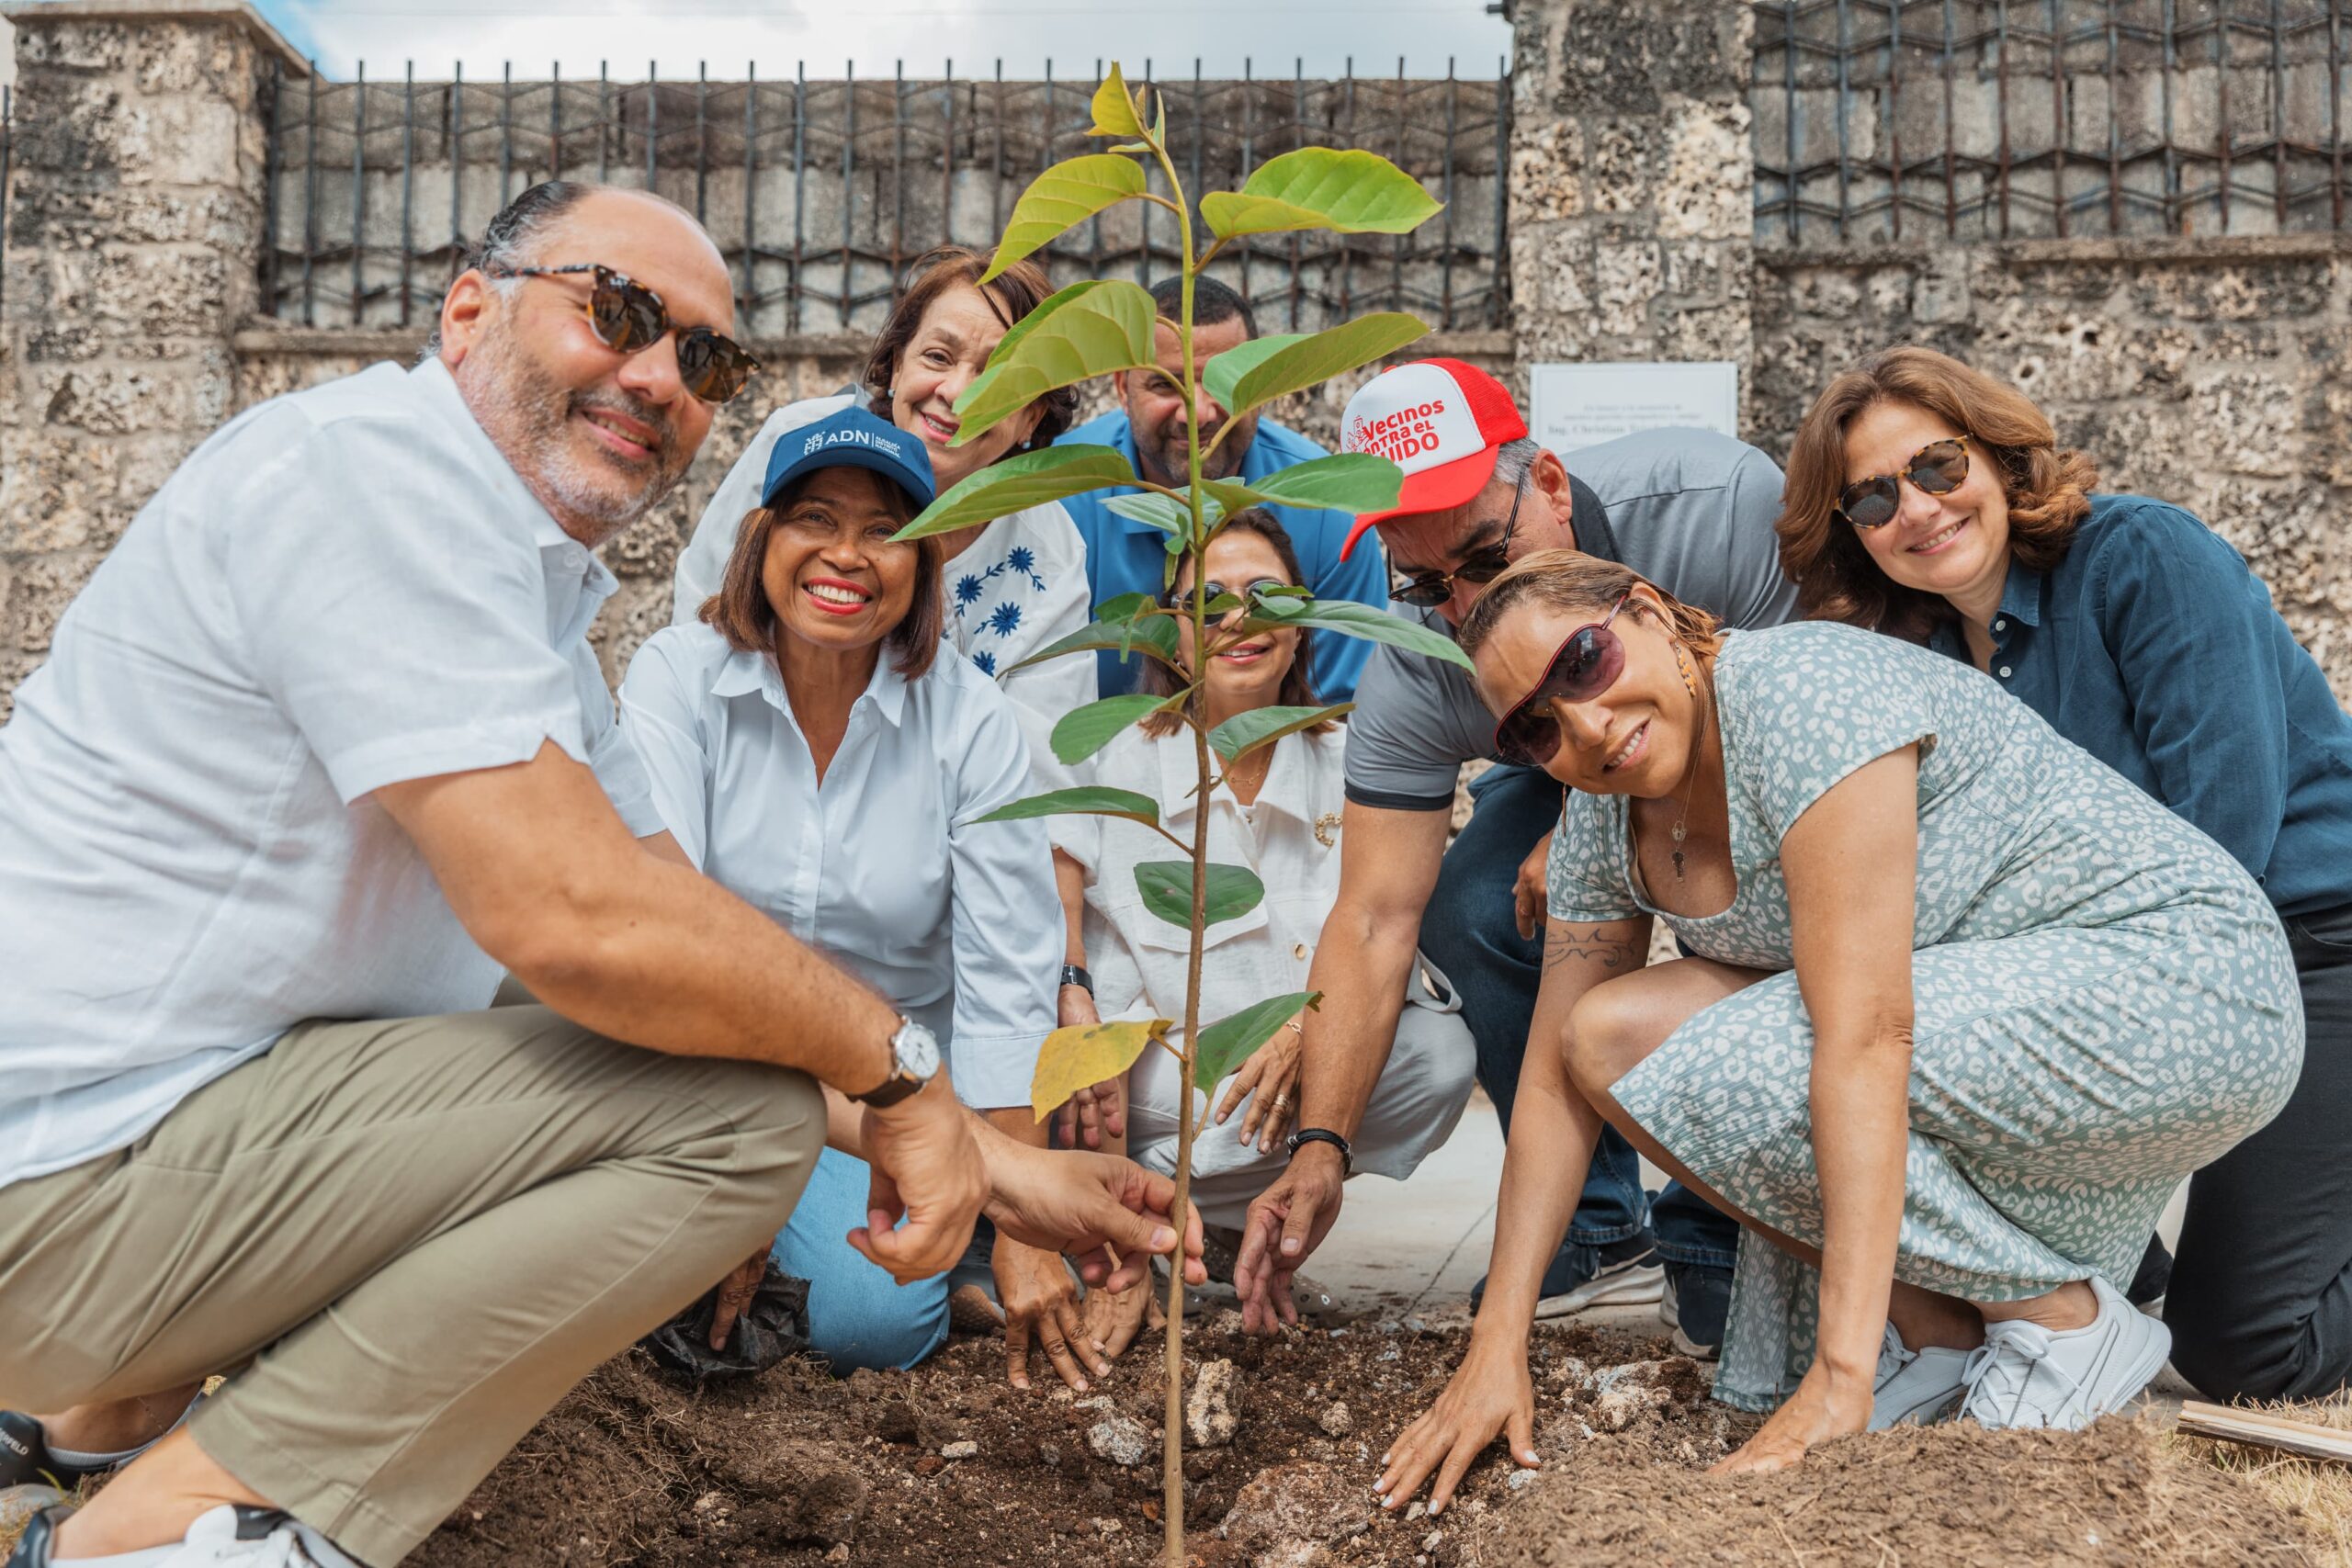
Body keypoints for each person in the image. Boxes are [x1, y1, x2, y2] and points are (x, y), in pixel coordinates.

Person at [0, 181, 1200, 1568]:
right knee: (733, 1123)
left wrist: (1003, 1170)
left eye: (704, 358)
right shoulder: (374, 482)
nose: (659, 377)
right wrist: (904, 1074)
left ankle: (94, 1437)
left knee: (723, 1116)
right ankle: (169, 1533)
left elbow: (676, 942)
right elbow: (585, 923)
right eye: (619, 312)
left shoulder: (537, 614)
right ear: (467, 306)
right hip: (69, 1185)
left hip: (130, 1163)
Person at [1376, 553, 2303, 1512]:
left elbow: (1864, 1037)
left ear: (1646, 611)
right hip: (1991, 1020)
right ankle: (1941, 1335)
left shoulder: (1798, 693)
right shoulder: (1601, 821)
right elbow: (1550, 1085)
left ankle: (2056, 1322)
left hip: (2182, 982)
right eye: (1535, 728)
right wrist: (1496, 1347)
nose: (1585, 724)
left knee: (1775, 1048)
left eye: (1581, 663)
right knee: (1609, 1037)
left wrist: (1838, 1375)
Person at [1774, 344, 2352, 1404]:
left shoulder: (2141, 556)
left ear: (1999, 459)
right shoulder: (1919, 661)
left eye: (1938, 466)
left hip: (2307, 940)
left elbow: (2219, 836)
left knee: (2248, 1355)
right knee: (2074, 1270)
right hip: (2133, 971)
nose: (1916, 508)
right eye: (1870, 497)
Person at [1231, 358, 1797, 1352]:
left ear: (1546, 483)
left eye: (1487, 558)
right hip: (1562, 767)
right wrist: (1323, 1147)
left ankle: (1724, 1223)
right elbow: (1374, 916)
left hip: (1742, 744)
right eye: (1425, 581)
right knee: (1469, 903)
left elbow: (1821, 733)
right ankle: (1592, 1216)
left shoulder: (1717, 506)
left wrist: (1593, 829)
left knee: (1745, 886)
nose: (1463, 607)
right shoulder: (1418, 649)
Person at [621, 404, 1102, 1391]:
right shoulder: (679, 678)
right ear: (760, 540)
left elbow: (1008, 984)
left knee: (866, 1322)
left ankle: (959, 1229)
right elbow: (664, 931)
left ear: (923, 567)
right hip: (697, 1072)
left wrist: (1025, 1231)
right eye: (815, 520)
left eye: (885, 532)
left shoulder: (972, 723)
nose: (846, 555)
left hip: (885, 1094)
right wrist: (739, 1201)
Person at [1049, 511, 1477, 1346]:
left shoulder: (1354, 760)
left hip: (1289, 1103)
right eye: (1206, 601)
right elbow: (1093, 945)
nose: (1238, 620)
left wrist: (1305, 1026)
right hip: (1143, 1103)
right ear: (1174, 630)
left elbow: (1386, 931)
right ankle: (1155, 1221)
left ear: (1303, 618)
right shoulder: (1117, 764)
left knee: (1437, 1054)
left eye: (1264, 596)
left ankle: (1223, 1214)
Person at [1056, 276, 1392, 703]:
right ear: (1123, 389)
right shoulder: (1063, 494)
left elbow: (1338, 712)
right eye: (1166, 383)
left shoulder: (1326, 504)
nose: (1196, 414)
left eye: (1225, 384)